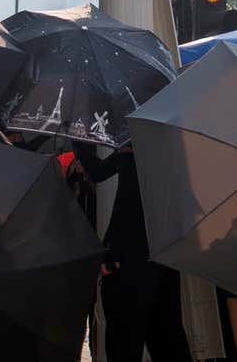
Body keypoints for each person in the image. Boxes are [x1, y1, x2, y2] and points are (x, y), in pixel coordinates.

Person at [81, 144, 191, 362]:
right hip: (162, 254)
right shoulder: (163, 144)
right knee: (168, 339)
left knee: (125, 342)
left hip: (130, 259)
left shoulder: (133, 147)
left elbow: (102, 176)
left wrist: (79, 138)